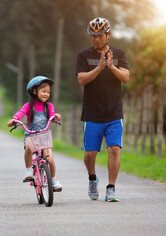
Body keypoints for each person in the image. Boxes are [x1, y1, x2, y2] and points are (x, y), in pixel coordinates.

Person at [75, 17, 130, 202]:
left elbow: (126, 77)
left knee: (114, 149)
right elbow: (82, 80)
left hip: (114, 112)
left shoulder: (119, 53)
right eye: (93, 36)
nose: (96, 39)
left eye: (100, 35)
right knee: (90, 154)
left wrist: (111, 66)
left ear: (108, 35)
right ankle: (92, 178)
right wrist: (99, 67)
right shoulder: (83, 55)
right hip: (92, 114)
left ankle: (111, 188)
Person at [7, 76, 63, 191]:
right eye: (43, 91)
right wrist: (13, 119)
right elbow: (20, 113)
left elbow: (52, 115)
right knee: (28, 148)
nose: (46, 94)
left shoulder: (49, 106)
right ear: (34, 91)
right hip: (31, 135)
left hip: (44, 135)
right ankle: (28, 171)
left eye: (48, 92)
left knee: (50, 159)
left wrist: (56, 116)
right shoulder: (28, 106)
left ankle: (53, 179)